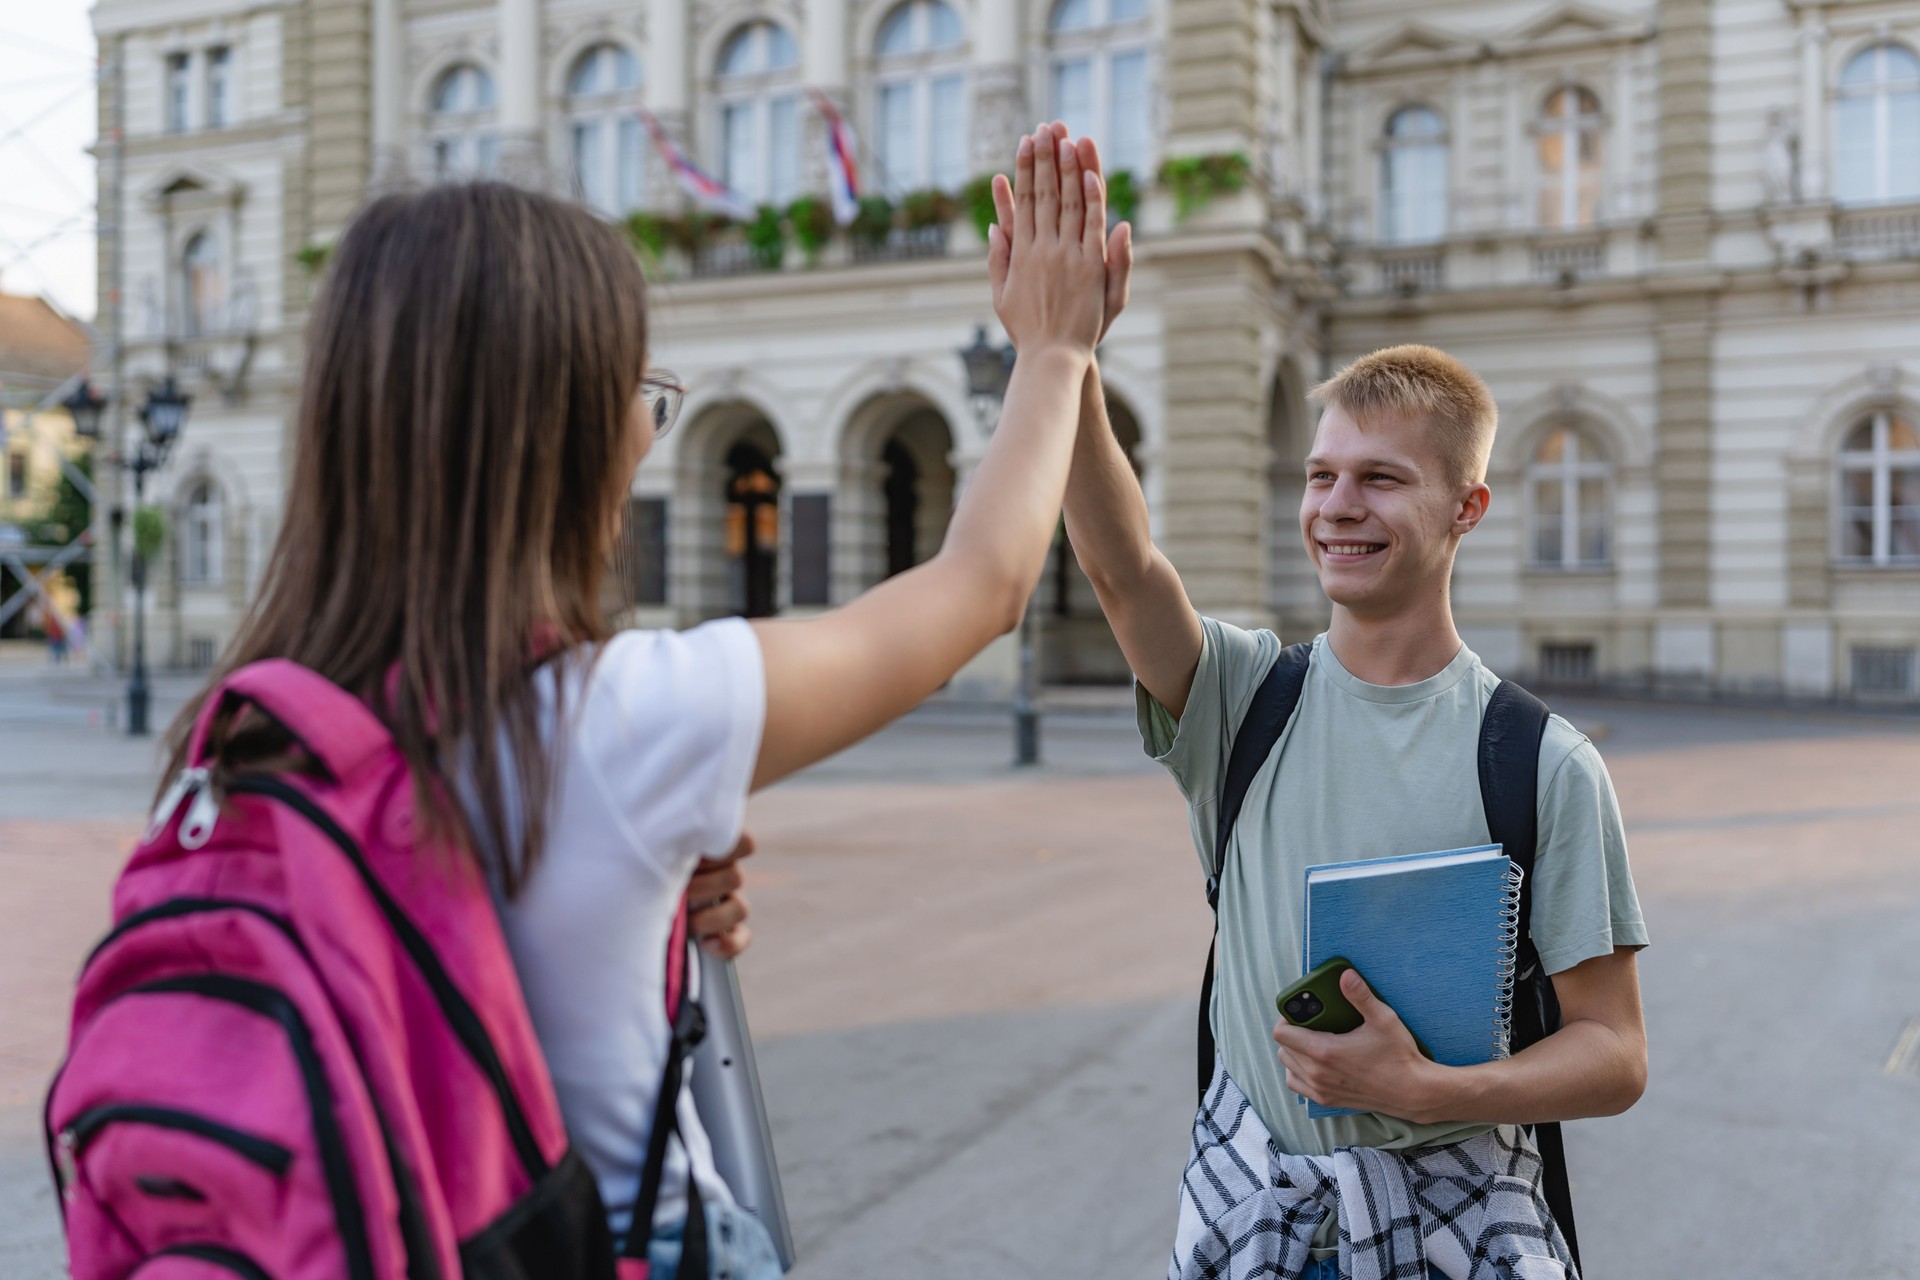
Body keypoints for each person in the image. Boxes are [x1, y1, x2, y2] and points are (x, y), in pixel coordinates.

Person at [158, 123, 1126, 1276]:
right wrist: (1055, 352)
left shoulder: (234, 744)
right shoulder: (612, 718)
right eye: (638, 389)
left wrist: (638, 904)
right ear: (559, 430)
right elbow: (981, 585)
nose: (647, 428)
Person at [1044, 240, 1648, 1278]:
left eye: (1380, 479)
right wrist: (1064, 359)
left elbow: (1615, 1052)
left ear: (1467, 507)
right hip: (1256, 1223)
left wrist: (1434, 1093)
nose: (1336, 507)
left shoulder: (1541, 761)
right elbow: (1120, 563)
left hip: (1457, 1234)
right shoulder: (1241, 698)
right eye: (1322, 475)